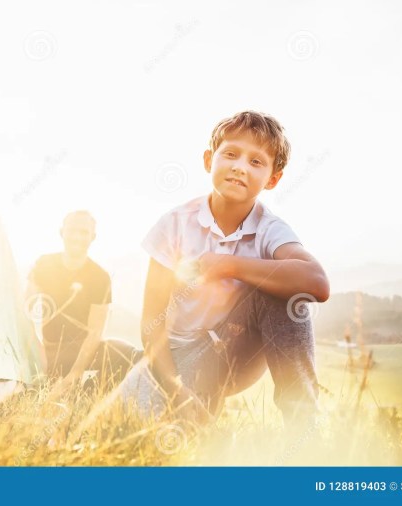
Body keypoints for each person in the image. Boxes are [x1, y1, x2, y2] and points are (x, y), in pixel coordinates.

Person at [120, 111, 330, 428]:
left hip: (231, 353)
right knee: (136, 428)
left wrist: (227, 265)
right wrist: (177, 389)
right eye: (230, 154)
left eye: (256, 162)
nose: (240, 166)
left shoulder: (270, 228)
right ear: (209, 160)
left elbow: (316, 282)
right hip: (175, 359)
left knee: (287, 295)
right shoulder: (175, 224)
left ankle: (305, 426)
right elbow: (152, 321)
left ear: (273, 178)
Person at [27, 210, 142, 392]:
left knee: (130, 354)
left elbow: (95, 332)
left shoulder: (100, 277)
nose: (77, 237)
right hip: (47, 351)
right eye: (72, 230)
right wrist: (37, 350)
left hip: (83, 353)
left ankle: (88, 393)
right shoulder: (44, 264)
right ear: (61, 232)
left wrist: (75, 373)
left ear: (93, 237)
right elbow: (25, 312)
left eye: (84, 232)